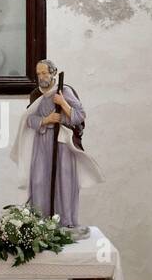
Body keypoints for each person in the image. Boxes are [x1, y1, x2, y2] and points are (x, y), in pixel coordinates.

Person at [10, 59, 102, 228]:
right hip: (42, 144)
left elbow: (79, 116)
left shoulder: (64, 91)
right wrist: (46, 120)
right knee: (38, 180)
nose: (41, 77)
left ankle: (65, 222)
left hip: (61, 145)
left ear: (53, 73)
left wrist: (63, 104)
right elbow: (29, 120)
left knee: (64, 181)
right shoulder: (36, 94)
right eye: (38, 74)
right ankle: (40, 222)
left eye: (44, 72)